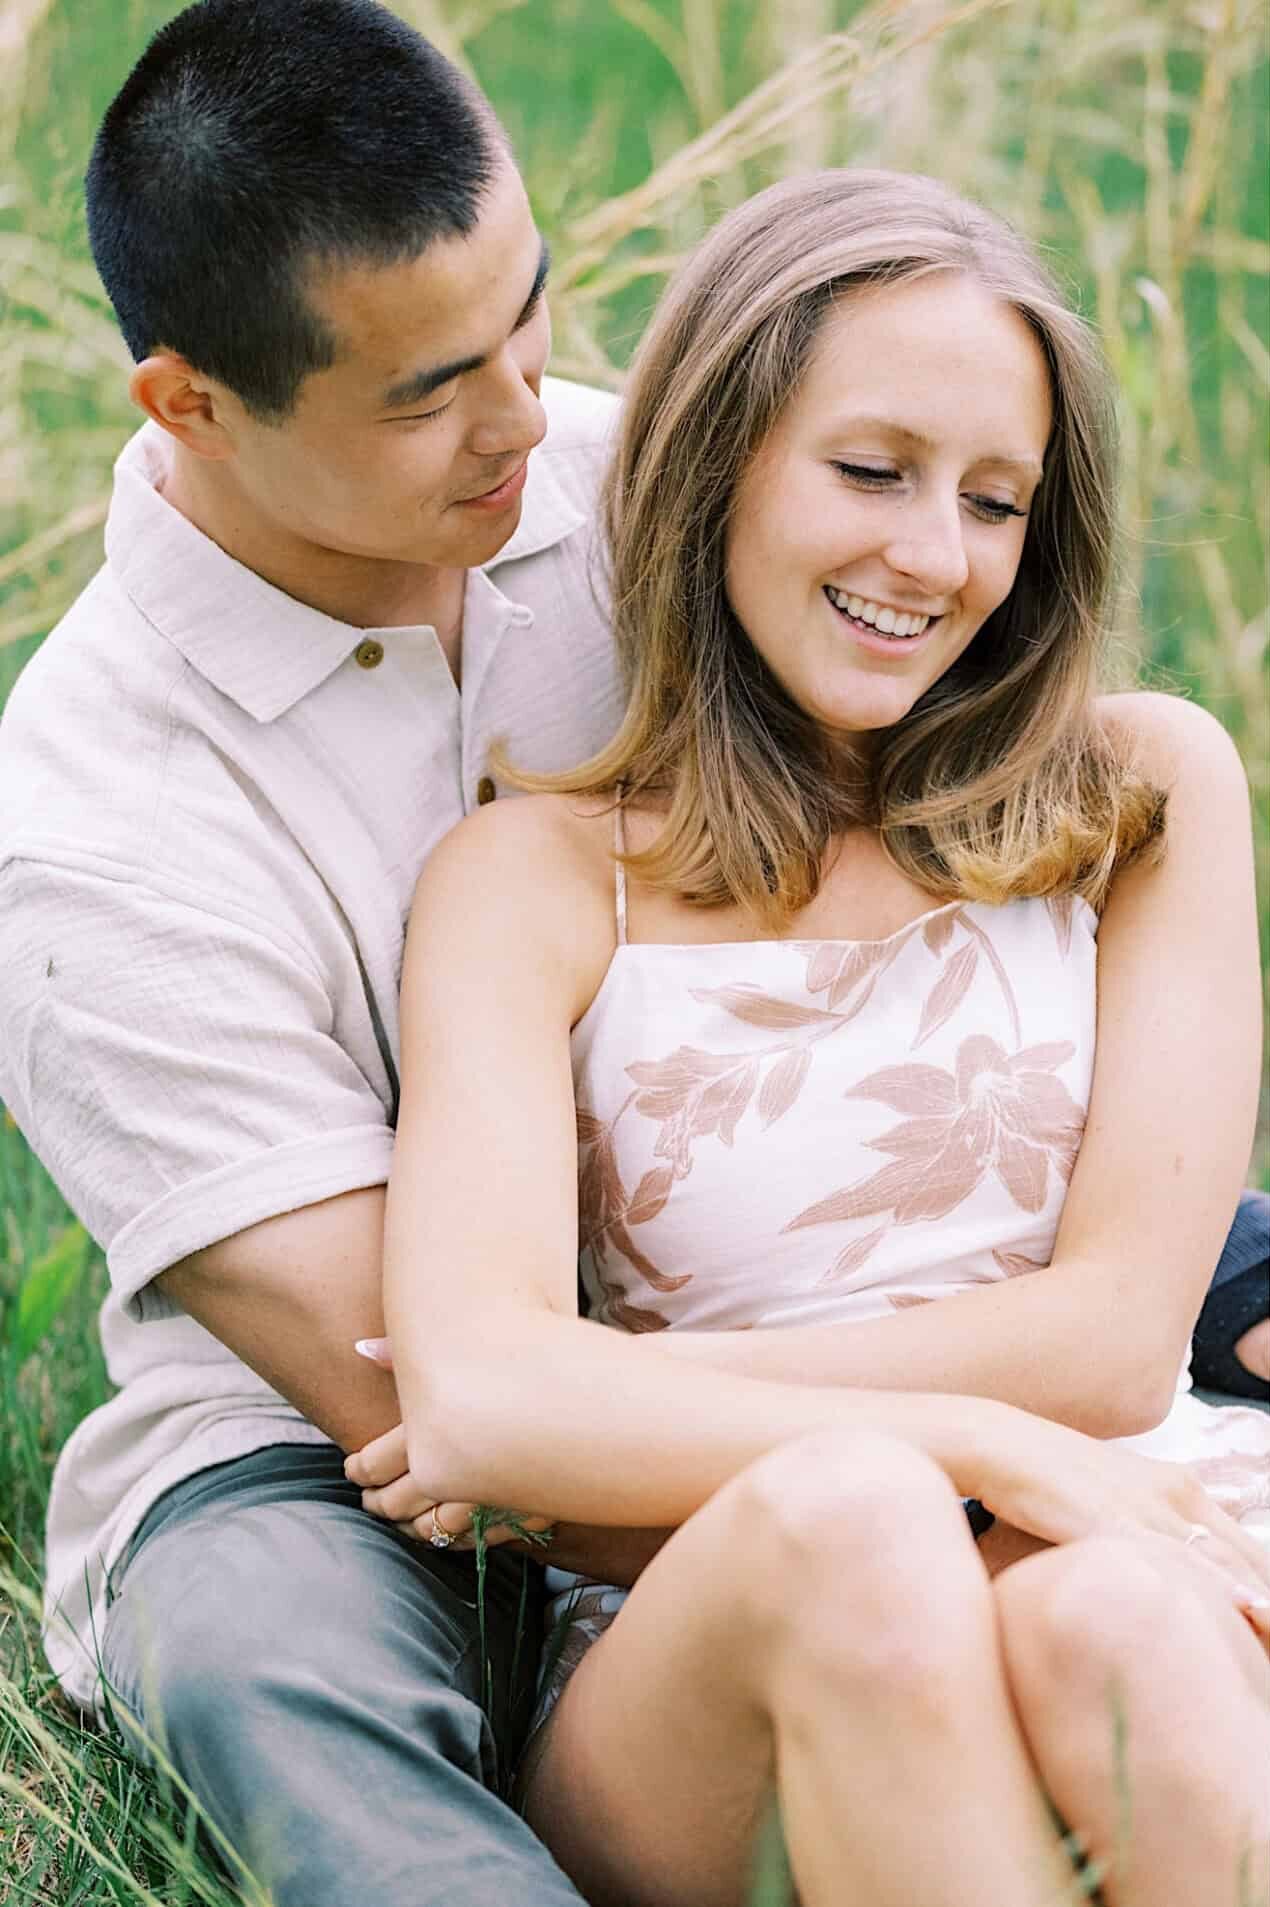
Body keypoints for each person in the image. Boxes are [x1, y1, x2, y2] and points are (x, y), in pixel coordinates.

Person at [0, 1, 1262, 1902]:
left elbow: (1080, 1248)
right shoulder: (93, 829)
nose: (526, 417)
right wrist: (992, 1438)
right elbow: (439, 1401)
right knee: (280, 1649)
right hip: (346, 1433)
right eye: (429, 388)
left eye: (529, 317)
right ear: (191, 406)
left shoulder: (644, 473)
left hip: (846, 1271)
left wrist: (1117, 1346)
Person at [351, 169, 1270, 1907]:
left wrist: (580, 1393)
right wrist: (977, 1445)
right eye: (870, 471)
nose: (932, 557)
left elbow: (1112, 1351)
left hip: (1126, 1522)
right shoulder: (527, 884)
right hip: (723, 1618)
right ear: (715, 465)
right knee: (850, 1511)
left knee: (1113, 1614)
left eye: (995, 502)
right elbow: (476, 1394)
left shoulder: (1138, 790)